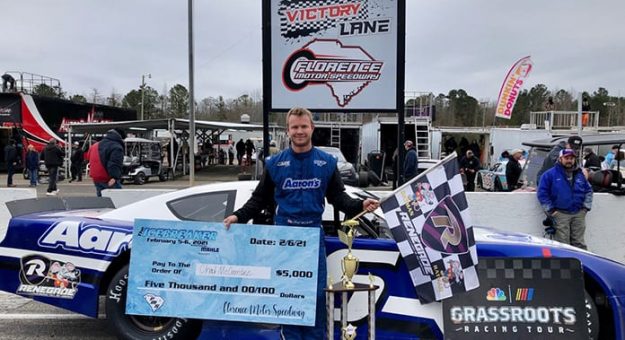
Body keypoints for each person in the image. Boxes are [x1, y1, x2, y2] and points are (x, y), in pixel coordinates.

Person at [223, 107, 379, 340]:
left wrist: (360, 205)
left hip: (312, 238)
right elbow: (259, 199)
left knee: (315, 298)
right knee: (287, 296)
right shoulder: (275, 163)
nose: (299, 131)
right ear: (288, 130)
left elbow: (338, 198)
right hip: (284, 238)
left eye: (304, 126)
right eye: (294, 127)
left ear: (312, 128)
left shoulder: (326, 162)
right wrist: (238, 216)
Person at [537, 149, 592, 249]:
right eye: (566, 158)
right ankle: (565, 264)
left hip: (578, 213)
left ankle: (581, 263)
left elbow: (588, 190)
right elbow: (542, 194)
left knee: (579, 243)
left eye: (571, 158)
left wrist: (585, 208)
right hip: (560, 214)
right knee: (562, 245)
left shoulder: (579, 174)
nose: (569, 160)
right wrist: (552, 211)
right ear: (560, 158)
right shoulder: (549, 174)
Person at [87, 129, 125, 197]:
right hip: (108, 178)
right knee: (117, 199)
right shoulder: (116, 147)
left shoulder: (95, 145)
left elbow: (88, 157)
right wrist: (114, 177)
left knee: (101, 200)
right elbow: (114, 163)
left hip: (96, 177)